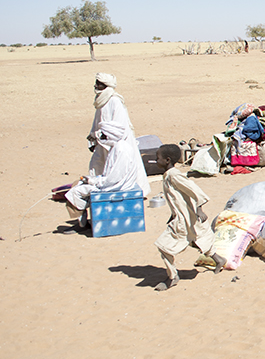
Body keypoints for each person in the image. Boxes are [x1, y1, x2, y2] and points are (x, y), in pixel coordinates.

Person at [152, 144, 227, 291]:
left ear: (167, 160)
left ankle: (172, 277)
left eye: (157, 158)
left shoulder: (174, 175)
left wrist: (199, 209)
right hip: (183, 217)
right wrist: (172, 214)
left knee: (164, 246)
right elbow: (177, 198)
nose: (156, 161)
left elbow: (194, 189)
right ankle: (219, 260)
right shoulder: (169, 175)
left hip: (184, 219)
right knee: (196, 239)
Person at [65, 120, 152, 232]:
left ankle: (81, 225)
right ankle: (84, 218)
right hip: (114, 183)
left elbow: (114, 179)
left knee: (76, 191)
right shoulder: (118, 147)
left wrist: (94, 182)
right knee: (77, 184)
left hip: (118, 186)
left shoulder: (121, 150)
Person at [89, 73, 142, 184]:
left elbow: (119, 126)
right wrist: (93, 137)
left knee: (119, 168)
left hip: (116, 142)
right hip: (103, 141)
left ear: (106, 85)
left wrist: (105, 135)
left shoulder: (114, 101)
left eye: (98, 84)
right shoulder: (101, 100)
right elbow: (97, 120)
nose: (95, 86)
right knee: (98, 165)